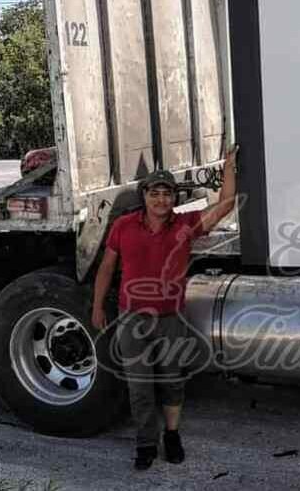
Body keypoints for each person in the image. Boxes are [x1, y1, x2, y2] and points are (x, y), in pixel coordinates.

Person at [91, 145, 239, 470]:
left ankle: (172, 435)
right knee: (139, 387)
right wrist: (97, 306)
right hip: (132, 320)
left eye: (167, 194)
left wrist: (229, 167)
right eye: (155, 193)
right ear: (144, 196)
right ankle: (146, 443)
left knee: (172, 381)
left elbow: (226, 205)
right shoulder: (123, 226)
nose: (161, 200)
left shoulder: (184, 225)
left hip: (170, 319)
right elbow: (106, 267)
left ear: (175, 198)